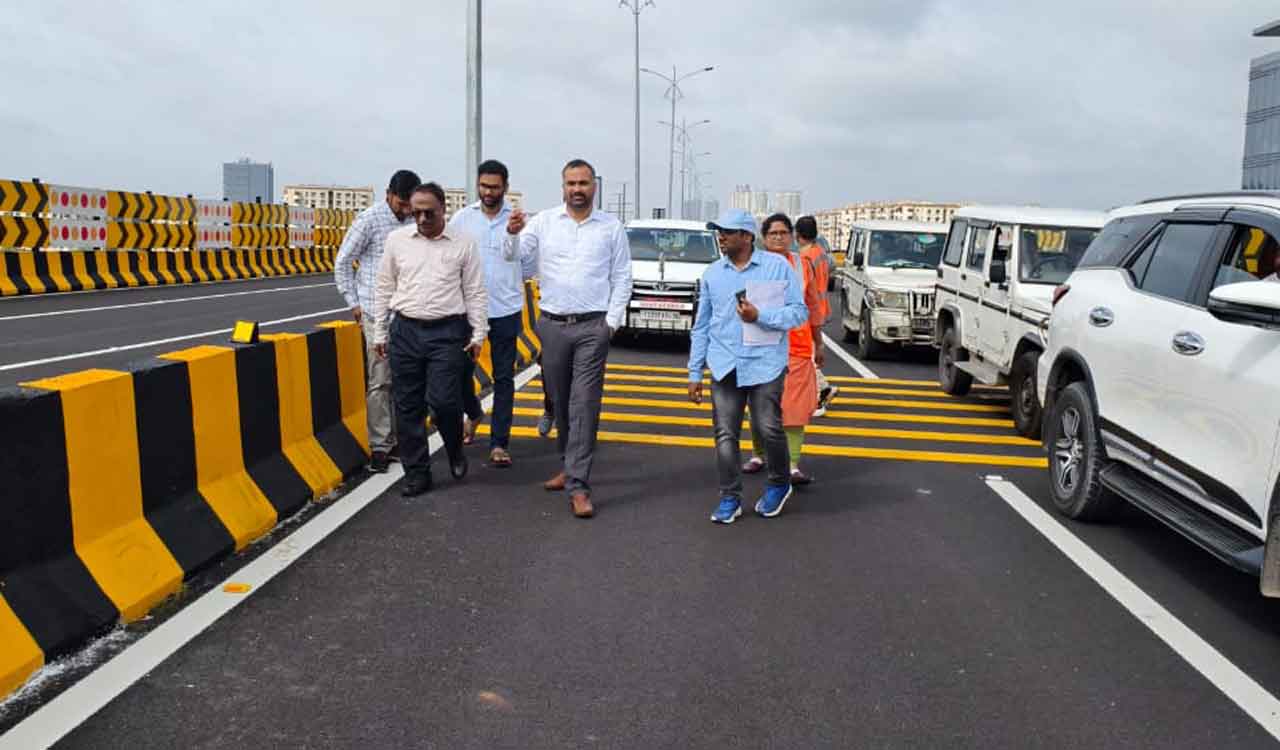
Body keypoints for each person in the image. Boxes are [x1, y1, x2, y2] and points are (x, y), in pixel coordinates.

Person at [505, 159, 632, 518]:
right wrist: (512, 234)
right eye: (571, 183)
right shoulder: (544, 223)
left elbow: (623, 275)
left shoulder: (611, 227)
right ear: (563, 187)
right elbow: (512, 259)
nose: (578, 189)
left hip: (593, 328)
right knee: (560, 403)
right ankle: (568, 464)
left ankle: (578, 484)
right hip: (553, 325)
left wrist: (611, 322)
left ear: (594, 186)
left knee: (584, 404)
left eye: (584, 183)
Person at [688, 208, 808, 524]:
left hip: (765, 364)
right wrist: (694, 371)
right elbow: (701, 326)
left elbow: (799, 313)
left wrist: (762, 317)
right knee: (725, 434)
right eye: (718, 231)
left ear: (746, 236)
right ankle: (730, 497)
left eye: (726, 231)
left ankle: (779, 484)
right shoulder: (713, 274)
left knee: (769, 428)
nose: (721, 237)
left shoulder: (777, 267)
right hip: (725, 364)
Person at [372, 183, 488, 498]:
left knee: (444, 402)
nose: (422, 218)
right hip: (405, 331)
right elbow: (384, 286)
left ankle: (454, 449)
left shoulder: (464, 244)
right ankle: (418, 474)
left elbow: (475, 292)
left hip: (448, 333)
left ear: (443, 210)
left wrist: (479, 334)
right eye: (416, 211)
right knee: (407, 406)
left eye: (429, 212)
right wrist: (379, 332)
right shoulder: (397, 241)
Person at [447, 160, 535, 468]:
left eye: (495, 187)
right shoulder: (460, 220)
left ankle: (499, 443)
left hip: (505, 310)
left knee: (503, 378)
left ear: (505, 188)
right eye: (484, 186)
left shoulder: (520, 221)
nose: (488, 192)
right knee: (457, 373)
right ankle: (473, 412)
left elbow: (526, 264)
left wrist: (512, 236)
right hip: (466, 311)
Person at [334, 169, 420, 473]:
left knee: (407, 379)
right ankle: (381, 446)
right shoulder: (369, 220)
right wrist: (353, 303)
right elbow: (343, 262)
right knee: (381, 380)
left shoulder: (415, 221)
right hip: (376, 313)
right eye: (400, 203)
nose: (405, 210)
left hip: (409, 313)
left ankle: (402, 439)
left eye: (409, 204)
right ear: (388, 194)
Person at [743, 214, 825, 485]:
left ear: (792, 236)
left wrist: (819, 342)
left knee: (794, 410)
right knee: (760, 406)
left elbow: (813, 306)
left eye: (783, 232)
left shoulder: (803, 266)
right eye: (772, 233)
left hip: (797, 347)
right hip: (760, 345)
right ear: (763, 238)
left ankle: (791, 465)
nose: (778, 237)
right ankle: (758, 455)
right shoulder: (750, 265)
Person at [796, 216, 839, 416]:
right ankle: (824, 388)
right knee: (810, 355)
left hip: (807, 311)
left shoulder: (803, 258)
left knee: (806, 358)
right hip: (820, 308)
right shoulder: (821, 253)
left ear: (797, 234)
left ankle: (818, 399)